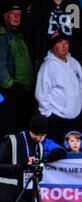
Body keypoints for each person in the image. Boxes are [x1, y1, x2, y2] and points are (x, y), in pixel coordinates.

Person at [35, 28, 82, 150]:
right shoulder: (48, 66)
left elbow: (81, 86)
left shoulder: (74, 63)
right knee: (58, 151)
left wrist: (80, 105)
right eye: (59, 43)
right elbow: (41, 93)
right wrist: (48, 114)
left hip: (76, 117)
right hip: (56, 118)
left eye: (66, 43)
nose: (64, 46)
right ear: (53, 47)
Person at [0, 114, 47, 202]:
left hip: (26, 195)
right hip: (6, 194)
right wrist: (20, 167)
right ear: (29, 130)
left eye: (43, 135)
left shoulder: (40, 146)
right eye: (36, 134)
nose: (39, 138)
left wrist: (37, 172)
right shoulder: (12, 140)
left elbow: (39, 175)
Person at [0, 0, 35, 137]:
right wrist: (11, 86)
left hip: (23, 90)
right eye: (13, 14)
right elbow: (1, 65)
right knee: (10, 128)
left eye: (19, 15)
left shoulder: (18, 33)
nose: (16, 17)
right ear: (5, 16)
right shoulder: (3, 35)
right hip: (11, 91)